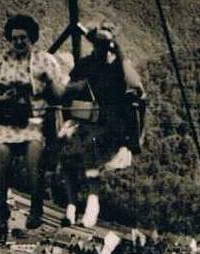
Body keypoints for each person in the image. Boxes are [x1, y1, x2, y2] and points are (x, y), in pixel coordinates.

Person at [0, 14, 66, 238]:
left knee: (34, 151)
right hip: (6, 119)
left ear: (32, 38)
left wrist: (51, 83)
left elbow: (60, 93)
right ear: (9, 39)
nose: (19, 42)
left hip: (34, 120)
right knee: (2, 152)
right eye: (15, 38)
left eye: (23, 38)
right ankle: (1, 211)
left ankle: (36, 208)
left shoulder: (45, 61)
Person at [57, 21, 145, 228]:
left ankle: (92, 204)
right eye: (97, 45)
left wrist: (120, 55)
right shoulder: (88, 63)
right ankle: (70, 205)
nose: (100, 50)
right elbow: (70, 87)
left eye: (105, 46)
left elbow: (137, 91)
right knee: (65, 147)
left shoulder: (120, 67)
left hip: (111, 125)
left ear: (113, 46)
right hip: (86, 118)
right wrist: (73, 87)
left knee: (90, 153)